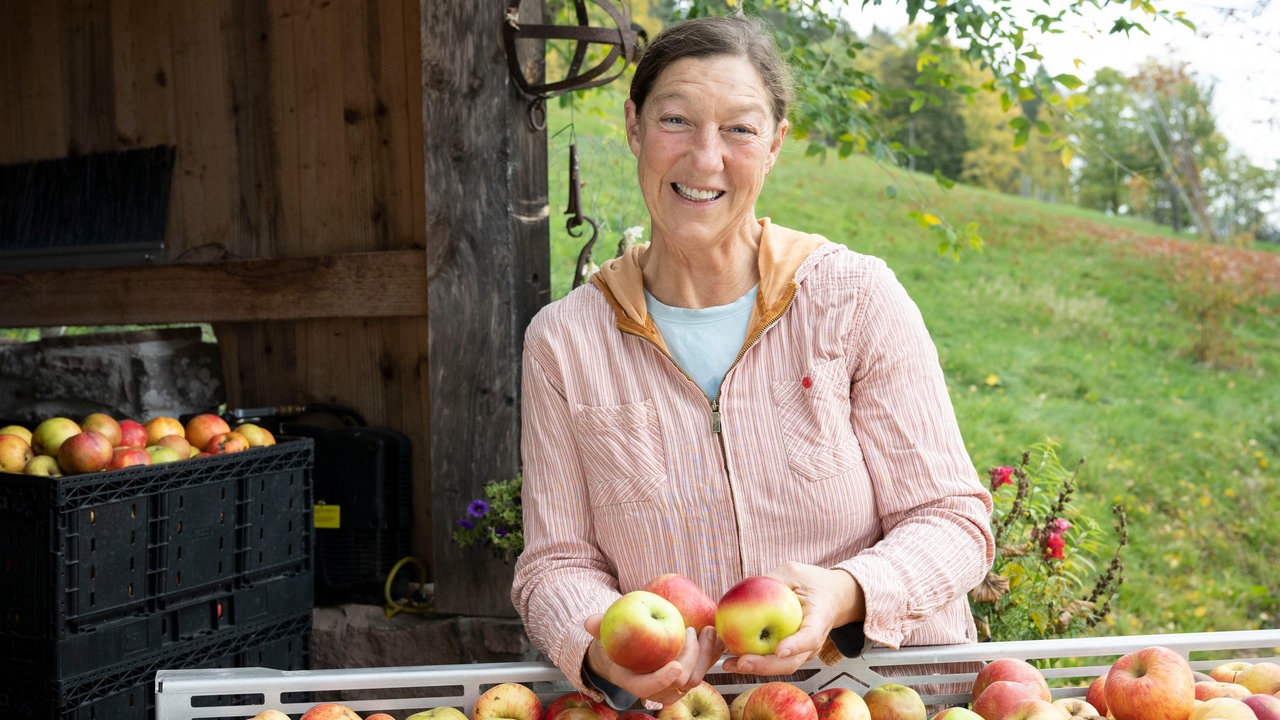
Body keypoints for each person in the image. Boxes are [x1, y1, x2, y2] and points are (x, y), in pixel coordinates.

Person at [511, 14, 994, 710]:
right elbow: (557, 564)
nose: (706, 159)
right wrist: (599, 650)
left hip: (884, 698)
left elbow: (952, 519)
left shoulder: (852, 299)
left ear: (774, 145)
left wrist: (851, 592)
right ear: (634, 128)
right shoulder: (566, 342)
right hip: (684, 706)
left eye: (739, 129)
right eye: (676, 120)